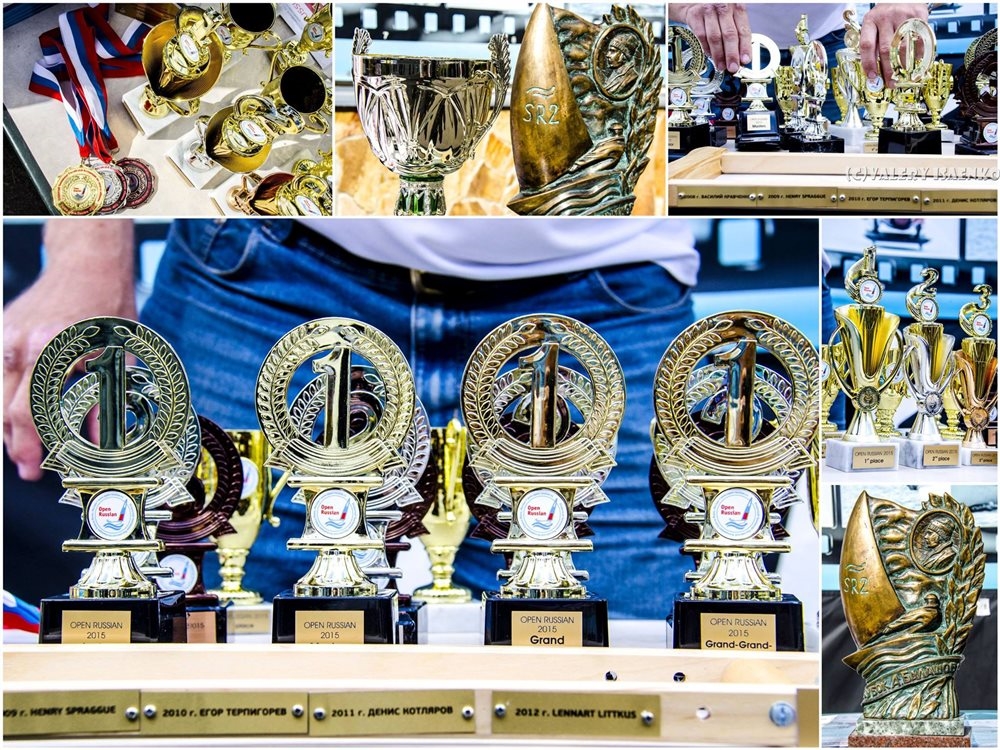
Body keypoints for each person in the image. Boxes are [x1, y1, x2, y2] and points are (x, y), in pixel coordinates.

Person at [3, 217, 699, 620]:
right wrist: (86, 249)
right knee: (200, 680)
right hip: (264, 274)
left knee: (619, 694)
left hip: (602, 293)